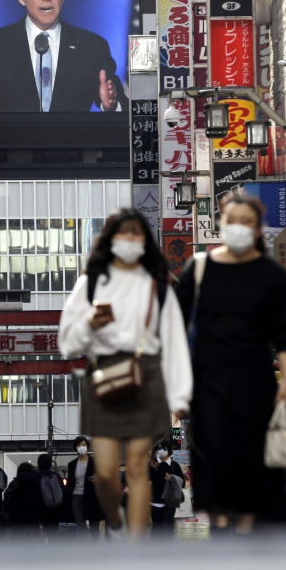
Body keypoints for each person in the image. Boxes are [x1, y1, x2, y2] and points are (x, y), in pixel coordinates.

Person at [59, 208, 193, 539]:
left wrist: (180, 393)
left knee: (136, 467)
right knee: (105, 473)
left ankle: (136, 548)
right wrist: (91, 322)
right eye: (123, 233)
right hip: (106, 377)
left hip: (147, 378)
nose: (130, 240)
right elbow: (67, 340)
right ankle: (116, 522)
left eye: (136, 234)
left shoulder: (159, 286)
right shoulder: (90, 284)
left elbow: (175, 339)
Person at [175, 193, 286, 536]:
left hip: (256, 377)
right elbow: (175, 327)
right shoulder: (198, 269)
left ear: (258, 229)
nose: (239, 228)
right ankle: (220, 525)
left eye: (247, 222)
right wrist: (179, 387)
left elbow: (283, 337)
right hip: (207, 377)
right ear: (221, 225)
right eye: (233, 221)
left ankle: (245, 527)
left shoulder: (272, 274)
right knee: (214, 449)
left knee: (251, 453)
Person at [64, 436, 103, 537]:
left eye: (84, 445)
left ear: (87, 446)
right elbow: (71, 483)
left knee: (94, 523)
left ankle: (94, 548)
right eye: (79, 445)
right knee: (80, 524)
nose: (82, 447)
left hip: (91, 495)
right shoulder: (72, 464)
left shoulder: (95, 462)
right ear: (75, 448)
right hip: (76, 497)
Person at [148, 440, 184, 538]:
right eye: (159, 448)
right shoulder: (152, 465)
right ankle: (155, 550)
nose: (161, 451)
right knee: (156, 528)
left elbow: (182, 482)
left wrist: (172, 478)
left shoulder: (174, 465)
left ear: (168, 450)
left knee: (167, 528)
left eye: (164, 448)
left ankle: (167, 550)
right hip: (155, 501)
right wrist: (153, 468)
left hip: (170, 501)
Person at [2, 462, 44, 536]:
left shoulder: (15, 483)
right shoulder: (38, 482)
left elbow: (7, 500)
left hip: (17, 520)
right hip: (34, 520)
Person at [36, 454, 64, 533]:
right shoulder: (56, 475)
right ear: (50, 464)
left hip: (41, 509)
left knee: (41, 531)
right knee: (54, 532)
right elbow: (62, 490)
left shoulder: (36, 475)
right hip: (56, 508)